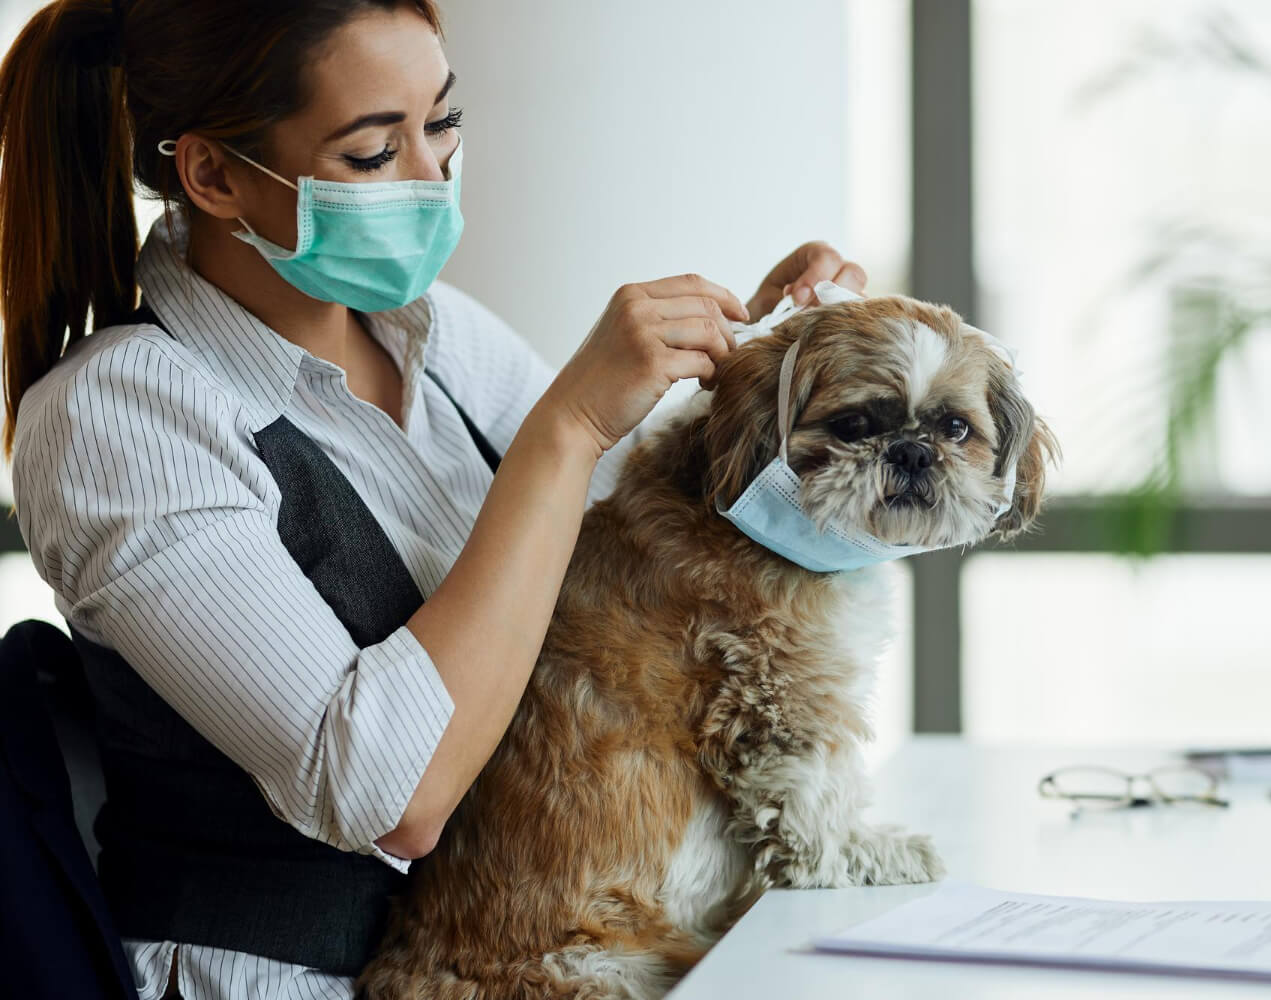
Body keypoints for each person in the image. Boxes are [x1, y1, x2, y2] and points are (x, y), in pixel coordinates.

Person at [0, 2, 867, 998]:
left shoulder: (435, 334)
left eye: (442, 124)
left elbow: (667, 562)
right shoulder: (118, 415)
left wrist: (785, 378)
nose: (431, 176)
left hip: (512, 952)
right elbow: (392, 799)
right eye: (374, 153)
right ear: (214, 175)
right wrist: (567, 427)